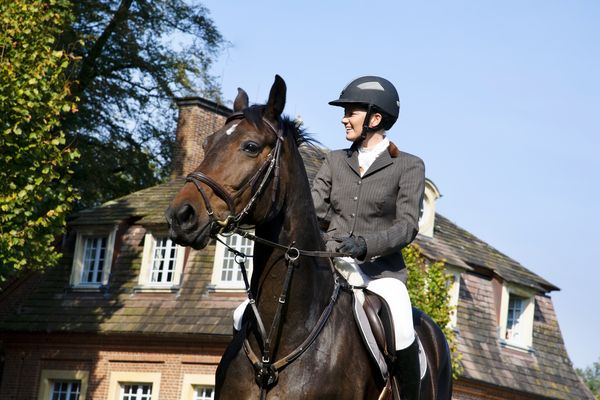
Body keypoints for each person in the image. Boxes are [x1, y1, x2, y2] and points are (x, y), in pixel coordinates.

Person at [311, 76, 425, 400]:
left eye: (351, 111)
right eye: (345, 112)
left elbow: (406, 226)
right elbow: (313, 208)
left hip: (379, 272)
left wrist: (365, 246)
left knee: (402, 325)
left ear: (375, 119)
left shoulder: (408, 166)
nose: (344, 118)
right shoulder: (333, 160)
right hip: (330, 263)